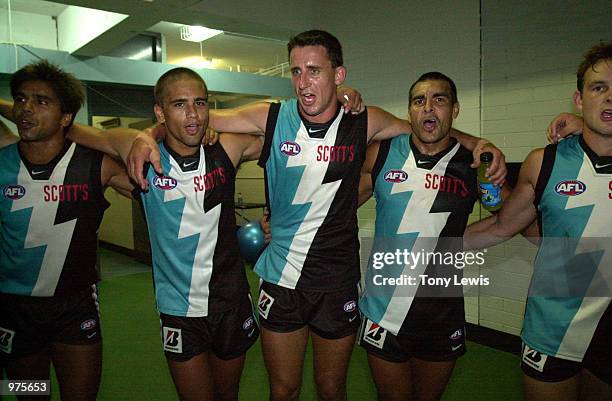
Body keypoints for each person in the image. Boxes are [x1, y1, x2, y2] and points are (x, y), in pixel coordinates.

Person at [128, 30, 504, 401]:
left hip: (336, 279)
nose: (303, 82)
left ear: (338, 75)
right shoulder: (271, 117)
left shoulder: (364, 121)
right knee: (283, 389)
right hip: (281, 277)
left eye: (314, 70)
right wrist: (148, 135)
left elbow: (428, 132)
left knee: (330, 389)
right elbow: (194, 119)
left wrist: (479, 145)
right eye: (295, 71)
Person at [62, 67, 264, 401]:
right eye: (179, 104)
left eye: (200, 103)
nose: (192, 114)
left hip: (229, 300)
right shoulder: (138, 152)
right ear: (160, 111)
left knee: (228, 395)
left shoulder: (225, 149)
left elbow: (283, 133)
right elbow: (70, 128)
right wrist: (147, 135)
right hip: (178, 308)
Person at [464, 43, 612, 401]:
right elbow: (503, 226)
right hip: (552, 325)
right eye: (599, 87)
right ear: (579, 99)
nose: (609, 98)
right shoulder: (543, 162)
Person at [0, 60, 132, 401]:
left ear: (66, 117)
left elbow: (139, 162)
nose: (26, 108)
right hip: (14, 308)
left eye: (41, 101)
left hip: (75, 307)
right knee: (28, 393)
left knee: (80, 396)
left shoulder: (95, 165)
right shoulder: (2, 162)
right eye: (20, 99)